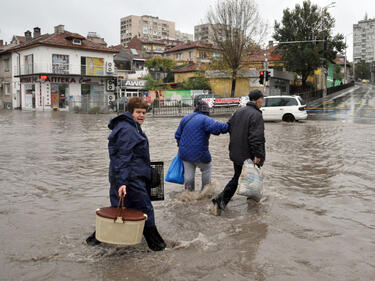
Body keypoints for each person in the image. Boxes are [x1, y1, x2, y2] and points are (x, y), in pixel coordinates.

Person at [86, 97, 166, 251]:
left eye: (143, 112)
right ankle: (158, 247)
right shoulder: (128, 129)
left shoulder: (131, 126)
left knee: (120, 209)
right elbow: (122, 157)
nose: (142, 115)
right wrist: (123, 182)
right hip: (130, 178)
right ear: (131, 112)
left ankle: (94, 241)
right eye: (138, 112)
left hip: (129, 176)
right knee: (145, 209)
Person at [212, 90, 266, 215]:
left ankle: (250, 204)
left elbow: (229, 127)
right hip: (249, 155)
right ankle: (221, 200)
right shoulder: (256, 115)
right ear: (258, 100)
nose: (262, 102)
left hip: (236, 152)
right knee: (244, 178)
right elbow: (256, 137)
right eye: (262, 99)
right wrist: (257, 155)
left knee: (242, 177)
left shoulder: (238, 111)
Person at [175, 100, 228, 191]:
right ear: (206, 111)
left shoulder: (185, 118)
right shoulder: (205, 119)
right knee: (206, 169)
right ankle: (205, 193)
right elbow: (218, 128)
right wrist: (230, 125)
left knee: (189, 177)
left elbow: (177, 135)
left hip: (184, 154)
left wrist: (182, 147)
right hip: (200, 154)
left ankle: (188, 195)